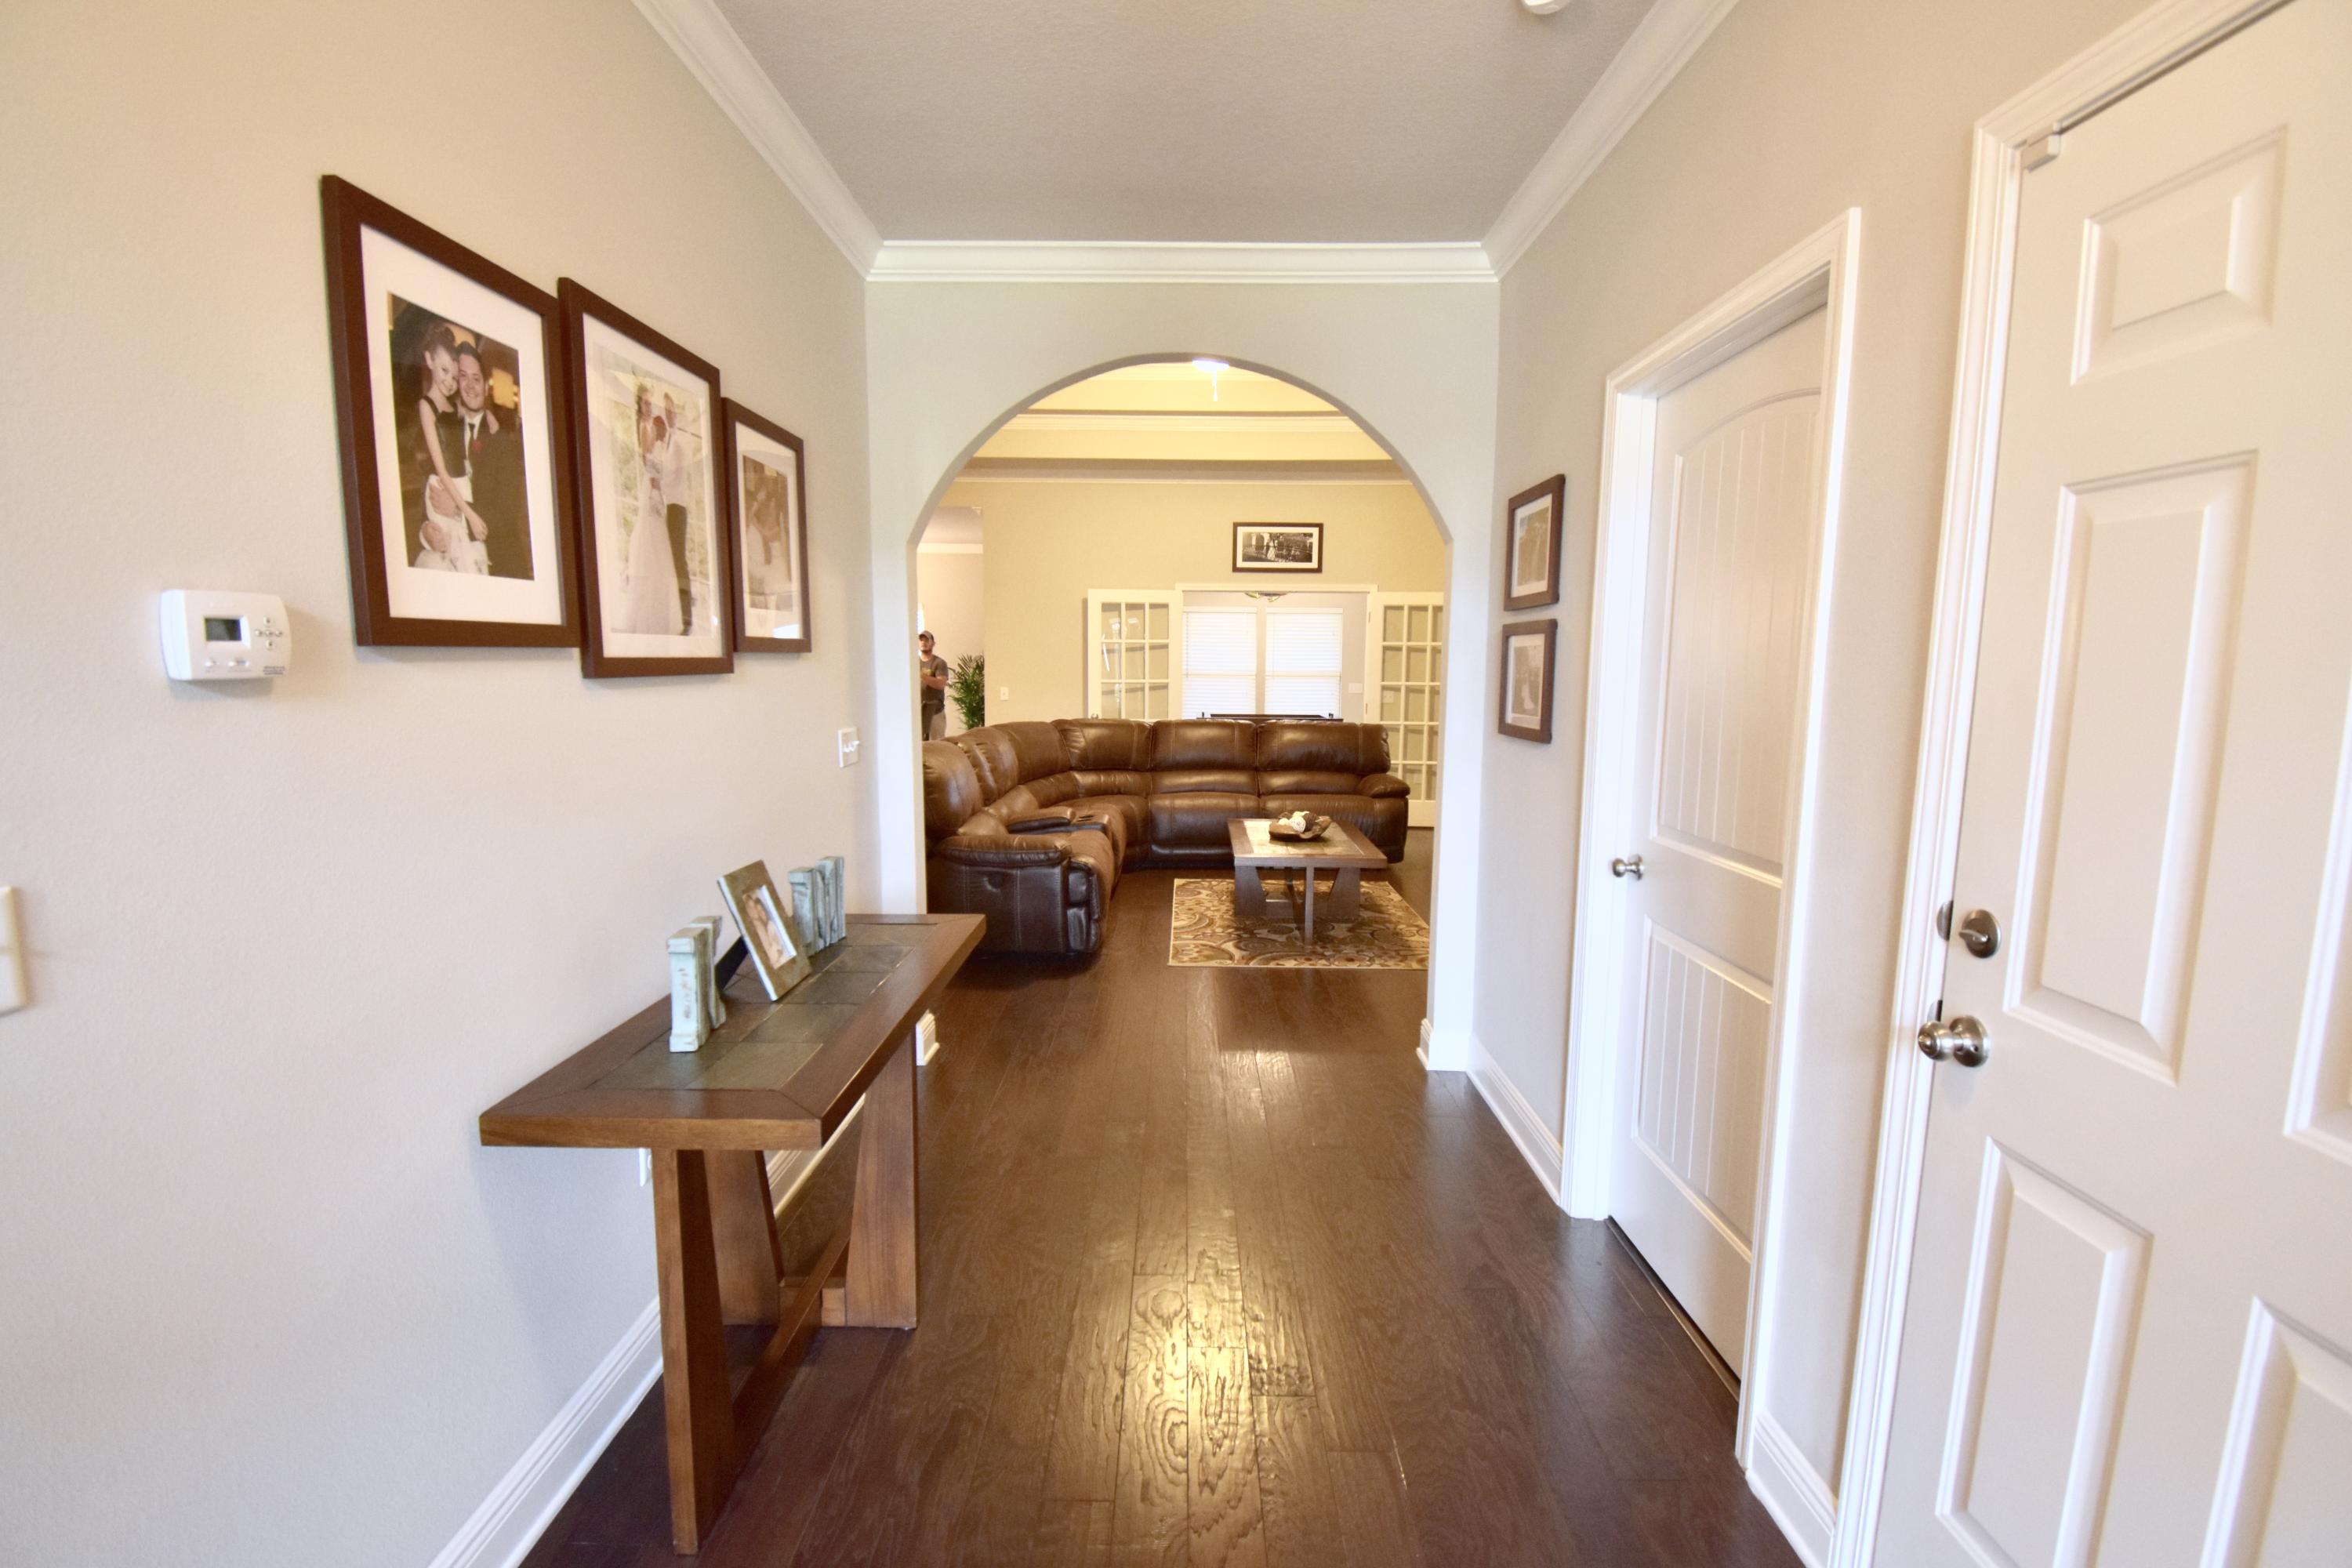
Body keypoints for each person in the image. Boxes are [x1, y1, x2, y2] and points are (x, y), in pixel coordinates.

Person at [412, 327, 490, 573]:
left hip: (461, 486)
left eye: (455, 377)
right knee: (451, 554)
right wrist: (469, 514)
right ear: (429, 360)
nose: (451, 382)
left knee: (470, 558)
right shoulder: (427, 406)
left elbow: (477, 417)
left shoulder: (456, 408)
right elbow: (442, 470)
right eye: (445, 371)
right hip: (444, 485)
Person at [453, 343, 531, 579]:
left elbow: (506, 516)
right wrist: (427, 530)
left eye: (476, 378)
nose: (470, 385)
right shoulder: (446, 436)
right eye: (463, 376)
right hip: (459, 564)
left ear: (486, 387)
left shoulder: (501, 441)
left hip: (501, 568)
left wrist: (457, 510)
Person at [621, 407, 681, 634]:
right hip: (652, 497)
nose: (662, 430)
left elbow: (664, 477)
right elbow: (651, 467)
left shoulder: (664, 450)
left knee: (659, 550)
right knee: (651, 545)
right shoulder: (653, 449)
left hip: (657, 499)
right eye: (660, 427)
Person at [659, 394, 696, 630]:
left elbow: (672, 476)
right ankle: (678, 613)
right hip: (669, 506)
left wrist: (658, 480)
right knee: (672, 560)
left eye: (671, 410)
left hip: (677, 507)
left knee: (678, 560)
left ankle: (686, 616)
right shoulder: (668, 442)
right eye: (666, 411)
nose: (669, 414)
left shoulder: (679, 442)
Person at [917, 631, 951, 740]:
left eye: (927, 640)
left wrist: (921, 675)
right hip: (917, 714)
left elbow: (941, 684)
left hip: (935, 713)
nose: (923, 642)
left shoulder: (939, 663)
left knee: (937, 745)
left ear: (933, 643)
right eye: (921, 640)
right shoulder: (913, 662)